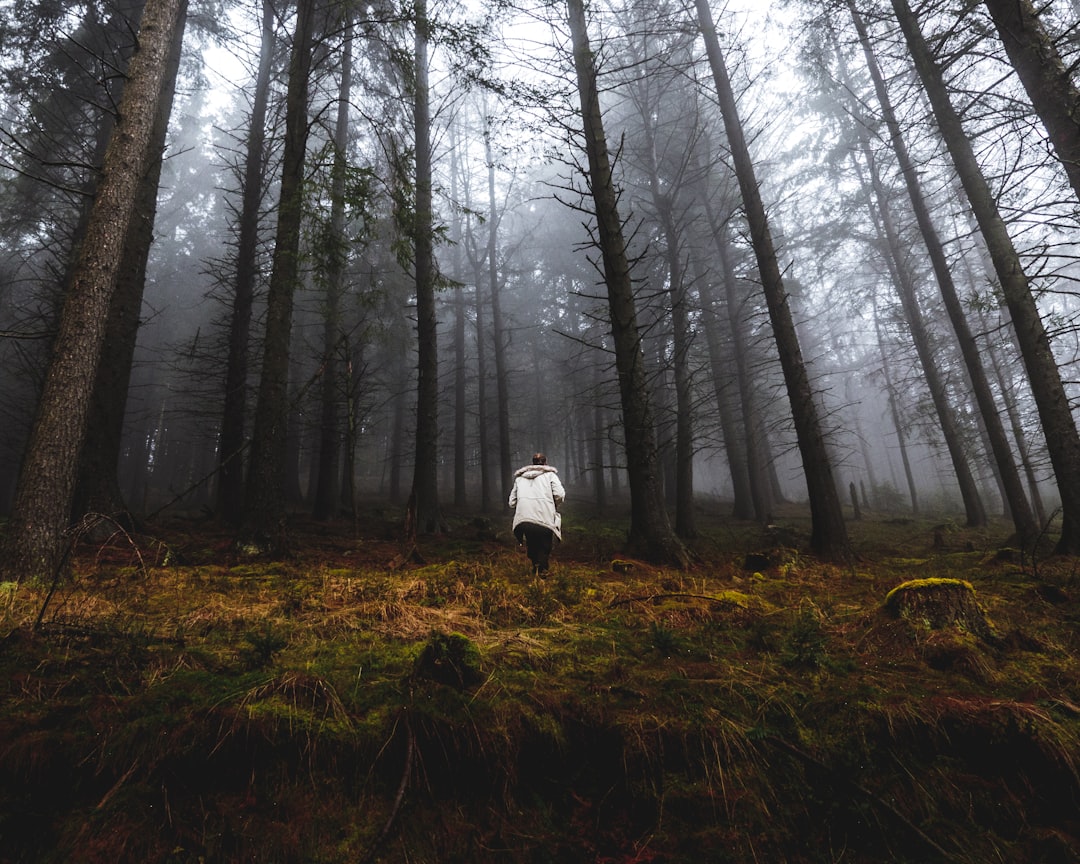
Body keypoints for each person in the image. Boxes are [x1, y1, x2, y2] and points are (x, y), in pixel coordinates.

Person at [508, 452, 565, 576]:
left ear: (532, 463)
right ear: (545, 463)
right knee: (544, 544)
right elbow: (560, 495)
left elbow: (511, 502)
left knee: (532, 542)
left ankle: (536, 568)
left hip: (525, 518)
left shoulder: (519, 479)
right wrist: (553, 504)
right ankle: (543, 570)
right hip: (544, 516)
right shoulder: (550, 476)